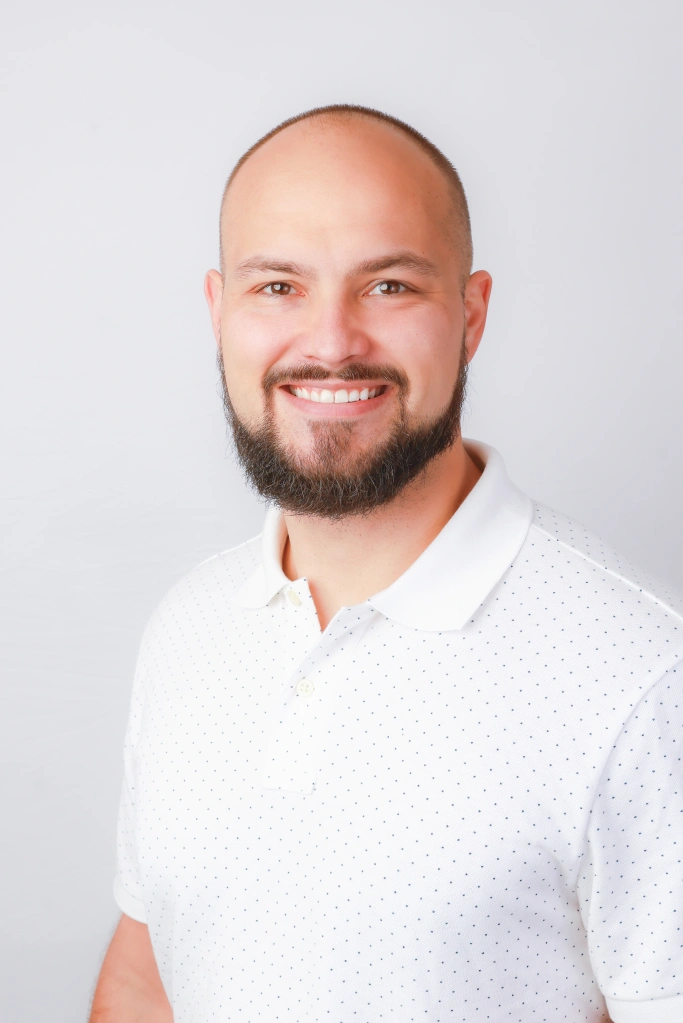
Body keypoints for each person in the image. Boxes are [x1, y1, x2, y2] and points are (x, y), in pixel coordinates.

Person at [89, 104, 683, 1023]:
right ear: (218, 311)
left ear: (470, 315)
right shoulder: (188, 623)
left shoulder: (640, 675)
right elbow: (144, 982)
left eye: (389, 286)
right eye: (277, 286)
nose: (330, 342)